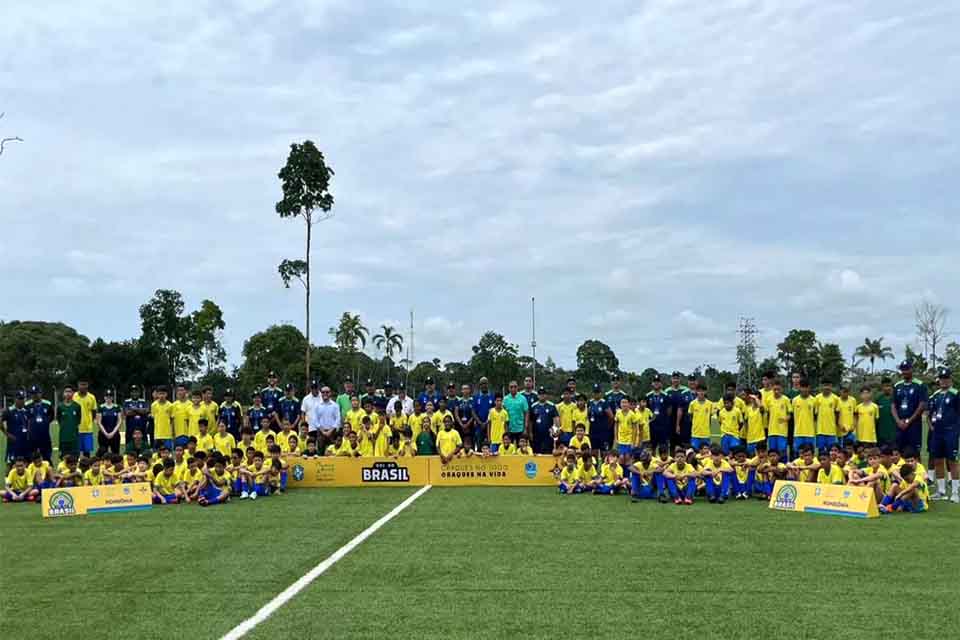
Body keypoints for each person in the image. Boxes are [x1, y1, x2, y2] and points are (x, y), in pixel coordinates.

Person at [927, 367, 959, 502]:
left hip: (951, 431)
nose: (944, 381)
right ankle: (941, 491)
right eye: (942, 379)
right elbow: (929, 414)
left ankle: (956, 492)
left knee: (952, 460)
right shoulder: (935, 395)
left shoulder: (956, 394)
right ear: (939, 380)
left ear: (950, 379)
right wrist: (931, 427)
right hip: (937, 432)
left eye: (946, 379)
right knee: (938, 460)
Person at [892, 360, 928, 453]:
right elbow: (893, 405)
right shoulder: (897, 385)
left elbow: (922, 405)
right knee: (898, 453)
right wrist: (898, 421)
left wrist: (909, 421)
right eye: (903, 369)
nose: (905, 372)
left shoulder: (920, 385)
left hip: (914, 424)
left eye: (907, 369)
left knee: (915, 452)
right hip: (900, 424)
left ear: (912, 369)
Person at [303, 383, 340, 450]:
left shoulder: (335, 406)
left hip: (332, 432)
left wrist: (330, 431)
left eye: (327, 392)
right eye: (323, 392)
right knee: (320, 453)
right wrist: (323, 431)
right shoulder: (317, 406)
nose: (325, 393)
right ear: (321, 393)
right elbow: (315, 420)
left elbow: (338, 420)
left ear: (330, 393)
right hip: (320, 433)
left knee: (332, 453)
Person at [25, 385, 54, 461]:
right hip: (32, 437)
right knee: (31, 458)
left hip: (44, 436)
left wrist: (44, 423)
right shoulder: (27, 405)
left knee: (46, 457)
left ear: (41, 393)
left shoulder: (48, 404)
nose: (34, 395)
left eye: (36, 393)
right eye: (32, 394)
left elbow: (51, 416)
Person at [2, 391, 30, 464]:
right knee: (11, 464)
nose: (22, 401)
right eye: (20, 399)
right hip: (13, 444)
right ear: (15, 399)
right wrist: (7, 434)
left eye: (23, 399)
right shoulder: (9, 410)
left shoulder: (26, 411)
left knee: (25, 464)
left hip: (25, 443)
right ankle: (7, 476)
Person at [646, 375, 672, 450]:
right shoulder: (648, 396)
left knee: (663, 448)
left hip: (663, 426)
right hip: (651, 426)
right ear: (652, 383)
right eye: (655, 382)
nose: (656, 383)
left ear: (661, 384)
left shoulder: (666, 395)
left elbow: (669, 410)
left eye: (658, 382)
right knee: (651, 448)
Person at [531, 387, 559, 454]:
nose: (542, 395)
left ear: (546, 395)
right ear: (537, 395)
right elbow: (530, 421)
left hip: (548, 435)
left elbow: (556, 420)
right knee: (537, 453)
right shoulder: (533, 406)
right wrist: (530, 433)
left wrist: (555, 431)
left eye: (543, 394)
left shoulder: (551, 405)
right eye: (540, 394)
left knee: (548, 452)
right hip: (536, 435)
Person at [791, 380, 816, 454]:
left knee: (810, 454)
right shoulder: (794, 400)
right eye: (802, 387)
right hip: (798, 432)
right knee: (798, 453)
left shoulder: (814, 400)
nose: (804, 389)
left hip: (810, 433)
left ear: (809, 388)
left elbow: (815, 415)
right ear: (799, 387)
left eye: (806, 387)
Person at [74, 380, 98, 456]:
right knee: (76, 451)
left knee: (86, 452)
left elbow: (94, 411)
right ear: (78, 385)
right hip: (76, 428)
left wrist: (90, 421)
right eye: (81, 384)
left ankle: (86, 467)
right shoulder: (74, 396)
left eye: (84, 384)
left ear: (87, 385)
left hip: (87, 429)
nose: (83, 386)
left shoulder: (91, 397)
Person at [502, 381, 530, 445]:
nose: (513, 388)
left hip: (520, 429)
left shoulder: (523, 398)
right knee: (509, 449)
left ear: (517, 388)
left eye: (515, 387)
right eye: (511, 387)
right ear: (509, 388)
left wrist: (525, 428)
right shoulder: (505, 399)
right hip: (509, 429)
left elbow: (526, 413)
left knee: (521, 448)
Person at [57, 387, 82, 458]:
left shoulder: (77, 406)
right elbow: (59, 420)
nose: (68, 393)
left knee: (75, 458)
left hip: (74, 438)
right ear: (63, 394)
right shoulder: (60, 406)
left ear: (73, 393)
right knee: (64, 458)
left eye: (70, 391)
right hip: (63, 438)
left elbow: (79, 420)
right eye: (66, 391)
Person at [688, 385, 713, 451]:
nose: (701, 392)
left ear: (706, 392)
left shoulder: (710, 404)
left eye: (703, 391)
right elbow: (690, 417)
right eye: (699, 391)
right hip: (695, 434)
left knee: (706, 453)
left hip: (706, 434)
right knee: (694, 452)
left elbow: (710, 418)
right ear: (696, 392)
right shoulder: (692, 403)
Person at [97, 390, 122, 454]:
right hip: (103, 434)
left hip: (115, 434)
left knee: (115, 453)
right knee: (103, 452)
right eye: (107, 396)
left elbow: (119, 421)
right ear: (104, 397)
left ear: (112, 398)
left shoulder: (117, 407)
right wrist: (106, 433)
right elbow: (99, 422)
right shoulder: (101, 407)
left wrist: (113, 433)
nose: (108, 398)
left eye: (110, 396)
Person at [874, 377, 896, 447]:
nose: (887, 388)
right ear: (882, 387)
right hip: (881, 434)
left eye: (889, 386)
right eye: (885, 386)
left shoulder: (896, 398)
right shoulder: (878, 399)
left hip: (894, 434)